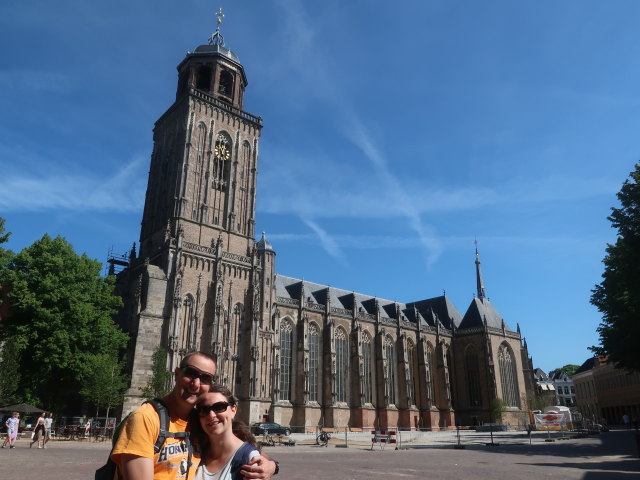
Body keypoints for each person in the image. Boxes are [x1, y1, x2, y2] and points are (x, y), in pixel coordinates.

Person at [111, 351, 276, 480]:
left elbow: (240, 445)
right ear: (176, 374)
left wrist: (271, 465)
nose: (196, 383)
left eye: (205, 378)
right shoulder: (146, 418)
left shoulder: (201, 420)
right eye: (190, 373)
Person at [189, 386, 262, 480]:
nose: (211, 415)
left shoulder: (249, 458)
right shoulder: (195, 451)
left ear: (233, 409)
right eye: (204, 409)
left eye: (219, 407)